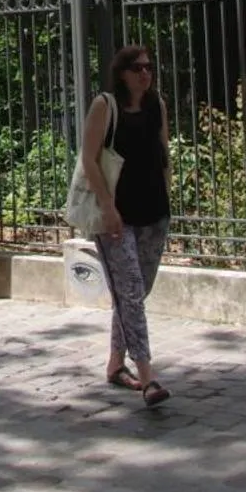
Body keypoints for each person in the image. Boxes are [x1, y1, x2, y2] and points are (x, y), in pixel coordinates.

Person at [80, 46, 173, 408]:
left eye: (149, 67)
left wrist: (167, 193)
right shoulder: (105, 105)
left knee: (137, 291)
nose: (145, 73)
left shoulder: (156, 105)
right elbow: (88, 159)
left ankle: (116, 364)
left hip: (155, 212)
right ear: (121, 73)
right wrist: (107, 206)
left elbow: (162, 153)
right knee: (131, 293)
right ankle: (148, 378)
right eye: (137, 68)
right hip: (116, 217)